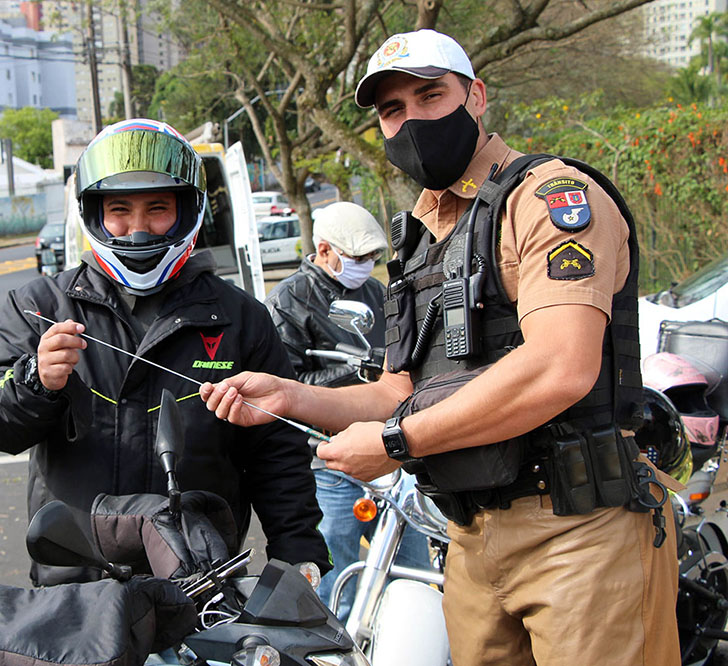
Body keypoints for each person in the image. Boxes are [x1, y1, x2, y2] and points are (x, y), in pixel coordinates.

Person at [200, 29, 679, 665]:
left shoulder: (549, 199)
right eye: (393, 110)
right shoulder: (424, 237)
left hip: (580, 527)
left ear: (475, 97)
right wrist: (290, 396)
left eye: (431, 95)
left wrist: (398, 446)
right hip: (469, 536)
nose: (413, 120)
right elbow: (399, 392)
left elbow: (561, 368)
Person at [0, 118, 330, 587]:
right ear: (94, 213)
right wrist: (35, 380)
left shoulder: (240, 317)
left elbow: (277, 452)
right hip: (78, 582)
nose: (137, 230)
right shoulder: (38, 307)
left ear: (187, 211)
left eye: (157, 209)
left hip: (200, 580)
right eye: (119, 210)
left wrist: (298, 552)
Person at [263, 201, 431, 620]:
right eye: (357, 258)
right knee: (340, 579)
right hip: (332, 463)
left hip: (390, 452)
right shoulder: (286, 301)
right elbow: (286, 387)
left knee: (413, 570)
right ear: (324, 251)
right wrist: (356, 375)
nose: (365, 265)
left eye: (372, 258)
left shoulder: (375, 291)